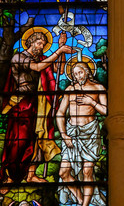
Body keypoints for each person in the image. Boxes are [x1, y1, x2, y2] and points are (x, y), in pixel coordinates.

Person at [0, 28, 73, 189]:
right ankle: (8, 177)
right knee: (18, 141)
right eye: (39, 43)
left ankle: (31, 175)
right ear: (31, 41)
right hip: (21, 103)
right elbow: (38, 67)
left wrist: (61, 49)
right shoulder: (18, 57)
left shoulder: (41, 58)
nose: (41, 47)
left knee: (38, 138)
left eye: (43, 44)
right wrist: (59, 50)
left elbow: (59, 70)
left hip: (38, 103)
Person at [56, 62, 106, 206]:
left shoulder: (98, 88)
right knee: (63, 173)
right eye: (75, 74)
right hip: (71, 133)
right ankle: (79, 197)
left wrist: (91, 102)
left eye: (80, 73)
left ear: (87, 72)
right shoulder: (70, 89)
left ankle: (85, 204)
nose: (78, 76)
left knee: (87, 172)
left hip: (90, 133)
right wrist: (64, 134)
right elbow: (60, 113)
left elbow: (106, 111)